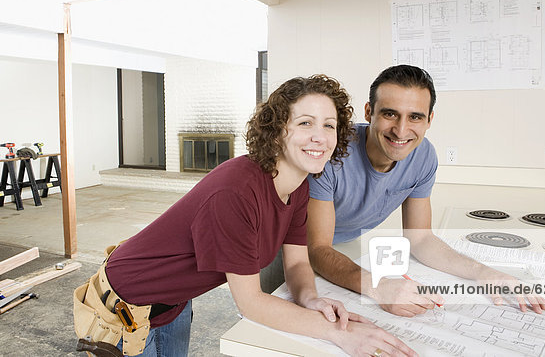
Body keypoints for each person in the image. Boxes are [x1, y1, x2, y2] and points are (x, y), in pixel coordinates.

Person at [74, 75, 417, 357]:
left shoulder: (298, 185)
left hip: (172, 304)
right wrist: (341, 335)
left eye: (329, 125)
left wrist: (311, 299)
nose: (320, 136)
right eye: (305, 123)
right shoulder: (237, 192)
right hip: (124, 305)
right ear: (278, 130)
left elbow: (297, 263)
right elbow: (251, 302)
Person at [307, 65, 545, 317]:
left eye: (415, 117)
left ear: (430, 120)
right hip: (291, 245)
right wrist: (378, 287)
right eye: (390, 114)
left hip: (344, 245)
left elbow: (420, 239)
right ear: (369, 112)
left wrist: (485, 273)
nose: (401, 130)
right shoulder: (332, 152)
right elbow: (317, 249)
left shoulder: (423, 156)